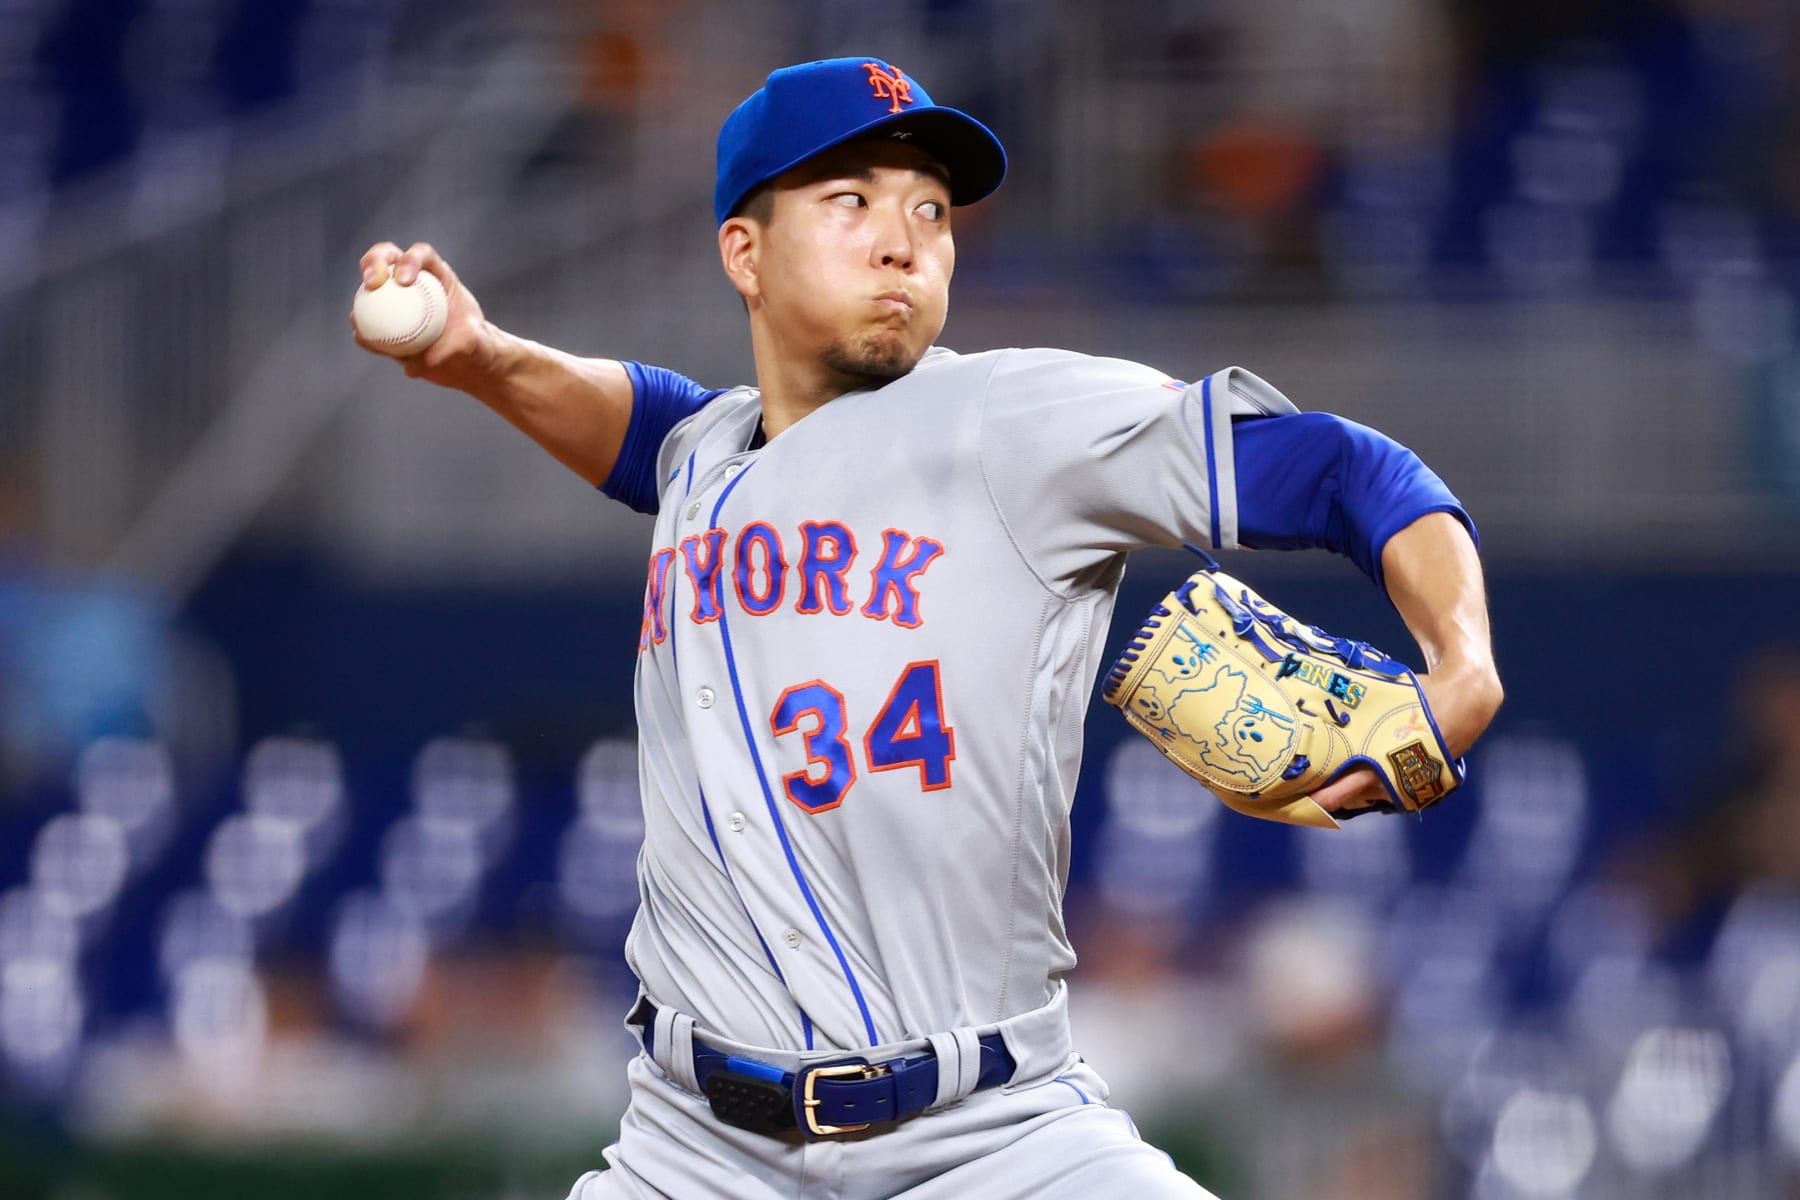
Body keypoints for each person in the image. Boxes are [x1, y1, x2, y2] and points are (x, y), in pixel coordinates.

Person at [352, 56, 1501, 1200]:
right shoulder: (704, 455)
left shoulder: (1014, 419)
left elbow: (1346, 468)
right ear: (742, 253)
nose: (904, 241)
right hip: (690, 1151)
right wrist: (477, 357)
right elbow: (647, 423)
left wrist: (1462, 660)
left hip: (991, 1139)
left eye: (931, 212)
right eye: (850, 201)